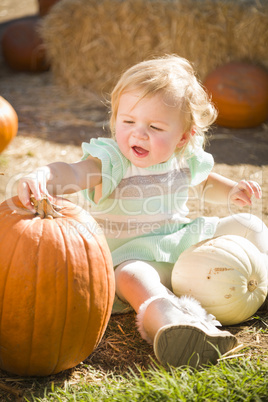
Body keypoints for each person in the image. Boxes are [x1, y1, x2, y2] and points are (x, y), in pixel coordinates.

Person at [17, 55, 268, 368]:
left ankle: (262, 282)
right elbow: (75, 173)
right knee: (133, 276)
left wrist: (231, 190)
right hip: (131, 256)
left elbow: (204, 184)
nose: (138, 134)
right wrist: (46, 176)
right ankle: (169, 319)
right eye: (128, 122)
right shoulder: (112, 161)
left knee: (249, 225)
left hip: (181, 247)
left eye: (155, 126)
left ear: (183, 136)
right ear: (116, 118)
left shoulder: (183, 158)